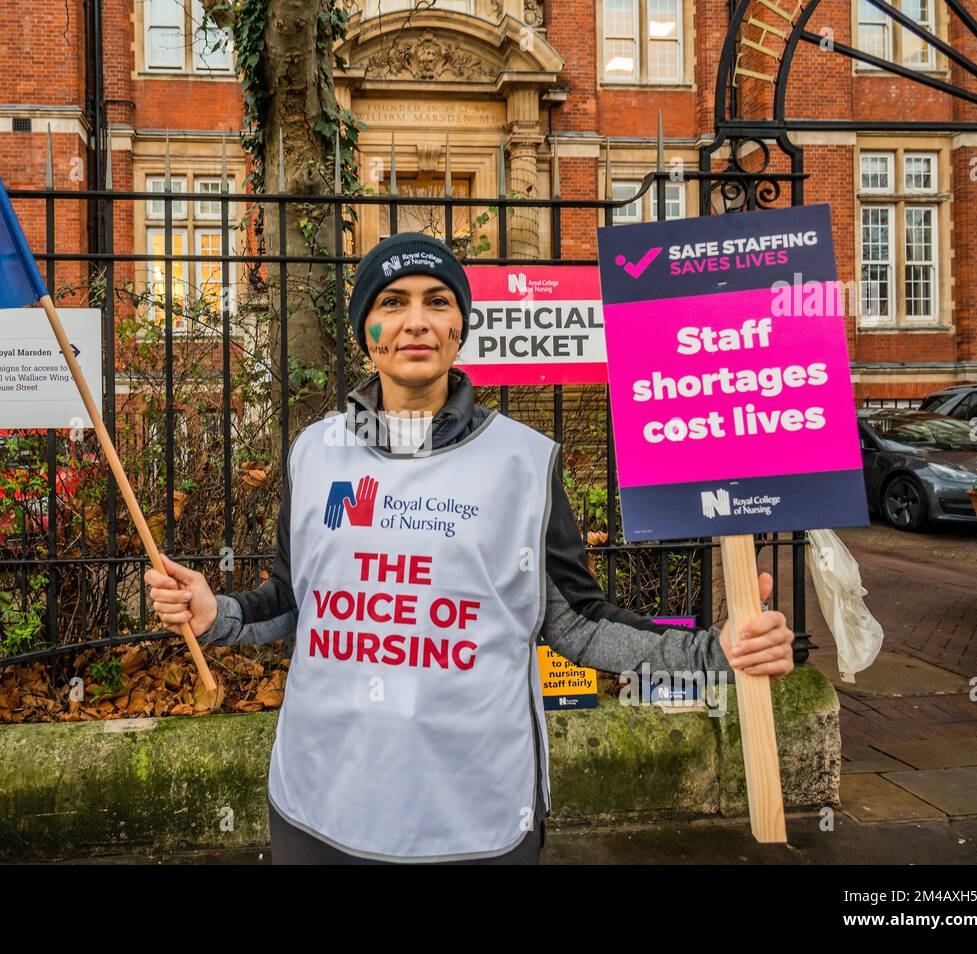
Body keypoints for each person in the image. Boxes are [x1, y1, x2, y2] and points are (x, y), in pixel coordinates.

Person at [145, 231, 795, 864]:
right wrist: (218, 614)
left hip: (475, 815)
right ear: (363, 330)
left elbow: (577, 622)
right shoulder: (315, 452)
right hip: (319, 804)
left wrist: (715, 652)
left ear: (460, 326)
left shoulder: (523, 462)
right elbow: (295, 598)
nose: (416, 321)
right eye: (391, 302)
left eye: (438, 301)